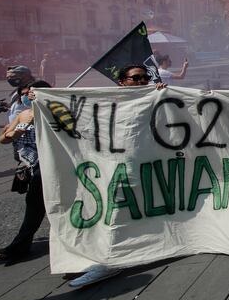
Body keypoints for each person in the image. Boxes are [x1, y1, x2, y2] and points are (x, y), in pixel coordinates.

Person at [65, 65, 165, 287]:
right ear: (122, 81)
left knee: (142, 211)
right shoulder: (105, 101)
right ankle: (109, 260)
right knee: (112, 212)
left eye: (145, 78)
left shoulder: (155, 96)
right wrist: (39, 97)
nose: (141, 81)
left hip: (148, 167)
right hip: (113, 168)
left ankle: (122, 256)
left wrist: (163, 93)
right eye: (135, 78)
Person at [0, 80, 51, 263]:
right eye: (24, 93)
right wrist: (18, 130)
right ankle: (20, 246)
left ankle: (20, 246)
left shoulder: (56, 113)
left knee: (39, 205)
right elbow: (3, 138)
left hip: (54, 164)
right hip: (35, 166)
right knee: (35, 204)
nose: (27, 96)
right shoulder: (24, 115)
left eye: (31, 93)